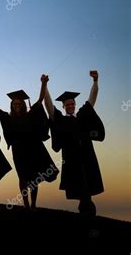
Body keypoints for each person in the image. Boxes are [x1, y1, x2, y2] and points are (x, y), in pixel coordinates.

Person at [0, 75, 59, 210]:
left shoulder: (30, 115)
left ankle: (33, 204)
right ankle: (26, 203)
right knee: (22, 178)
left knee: (34, 178)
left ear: (23, 105)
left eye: (19, 103)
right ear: (12, 105)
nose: (17, 105)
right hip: (18, 151)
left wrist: (43, 83)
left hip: (33, 149)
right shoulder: (8, 118)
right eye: (15, 103)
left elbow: (39, 100)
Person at [44, 71, 104, 216]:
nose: (70, 105)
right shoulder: (61, 120)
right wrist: (45, 87)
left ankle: (87, 210)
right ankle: (87, 210)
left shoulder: (82, 116)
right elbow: (49, 107)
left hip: (87, 157)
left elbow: (92, 99)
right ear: (63, 106)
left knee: (87, 187)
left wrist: (95, 81)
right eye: (67, 104)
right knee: (80, 189)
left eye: (72, 103)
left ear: (75, 104)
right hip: (72, 160)